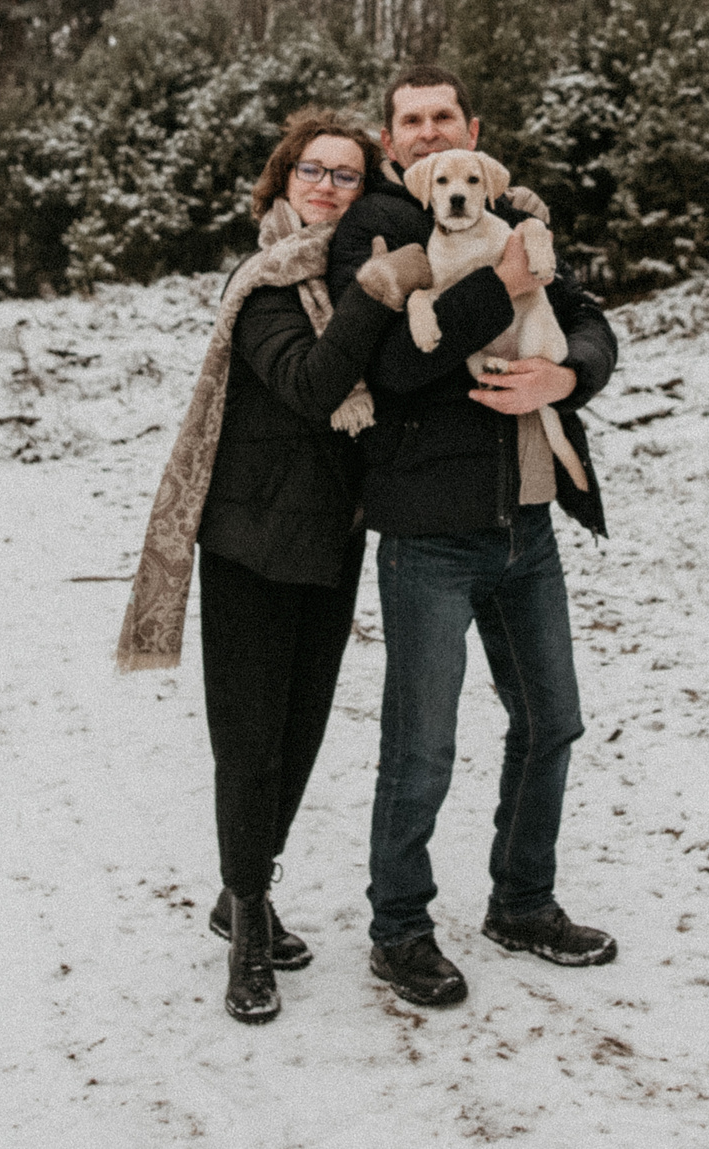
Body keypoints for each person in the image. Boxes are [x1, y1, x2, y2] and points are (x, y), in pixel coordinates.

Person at [115, 108, 432, 1025]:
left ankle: (238, 886)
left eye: (346, 174)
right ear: (283, 182)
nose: (328, 187)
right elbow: (308, 385)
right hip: (252, 543)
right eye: (312, 171)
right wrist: (377, 286)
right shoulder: (263, 281)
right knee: (250, 743)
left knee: (300, 737)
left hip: (333, 540)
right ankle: (248, 922)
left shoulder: (351, 275)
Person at [326, 64, 620, 1010]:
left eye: (441, 117)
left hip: (524, 521)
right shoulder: (373, 230)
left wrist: (564, 378)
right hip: (428, 534)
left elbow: (585, 320)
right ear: (390, 139)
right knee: (423, 744)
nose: (425, 133)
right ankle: (400, 928)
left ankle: (522, 900)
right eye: (408, 121)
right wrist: (497, 285)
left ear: (472, 128)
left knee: (551, 719)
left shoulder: (511, 214)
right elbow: (399, 367)